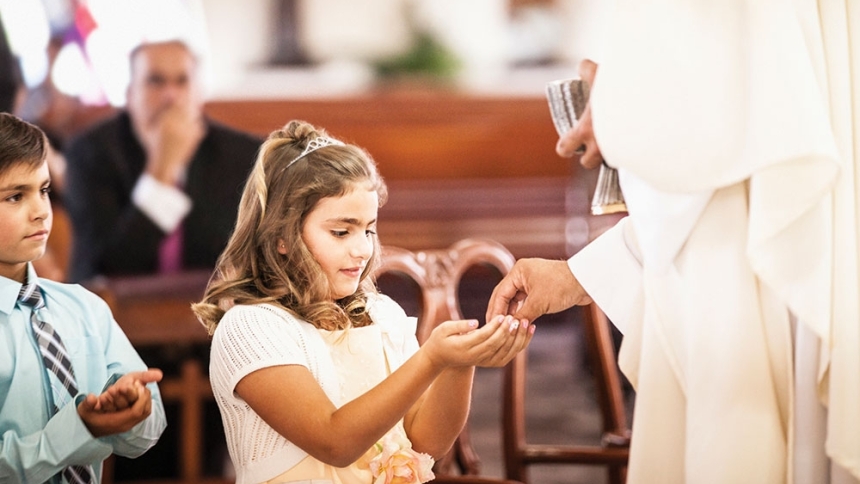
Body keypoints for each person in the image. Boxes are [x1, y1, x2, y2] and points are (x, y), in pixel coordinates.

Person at [487, 2, 860, 483]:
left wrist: (615, 107)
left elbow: (693, 129)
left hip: (759, 294)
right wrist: (577, 276)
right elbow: (739, 155)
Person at [192, 120, 533, 484]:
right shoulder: (251, 327)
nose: (362, 248)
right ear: (282, 237)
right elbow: (333, 441)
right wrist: (430, 358)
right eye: (341, 232)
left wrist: (457, 365)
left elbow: (426, 443)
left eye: (368, 229)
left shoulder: (381, 314)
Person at [0, 112, 167, 483]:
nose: (41, 211)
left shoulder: (84, 307)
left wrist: (132, 410)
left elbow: (146, 434)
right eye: (15, 196)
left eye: (44, 190)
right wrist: (79, 430)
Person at [63, 38, 261, 282]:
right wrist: (161, 170)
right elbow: (103, 270)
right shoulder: (89, 153)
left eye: (182, 81)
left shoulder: (242, 156)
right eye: (155, 81)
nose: (170, 96)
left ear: (198, 95)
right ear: (129, 94)